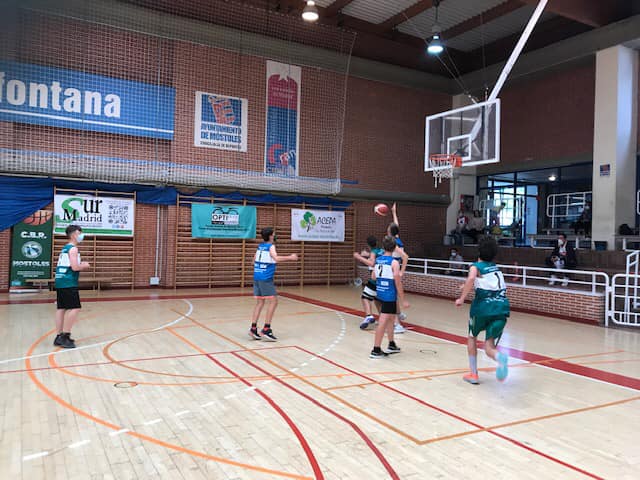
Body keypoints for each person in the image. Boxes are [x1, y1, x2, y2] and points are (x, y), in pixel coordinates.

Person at [455, 236, 510, 384]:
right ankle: (500, 358)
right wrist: (466, 285)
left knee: (472, 337)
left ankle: (473, 374)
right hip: (501, 309)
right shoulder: (496, 269)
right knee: (489, 348)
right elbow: (483, 281)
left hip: (482, 309)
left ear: (478, 251)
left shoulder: (475, 266)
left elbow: (472, 278)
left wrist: (462, 298)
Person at [250, 227, 298, 341]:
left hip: (257, 276)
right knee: (273, 301)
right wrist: (290, 257)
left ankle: (253, 328)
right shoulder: (271, 246)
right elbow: (276, 258)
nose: (275, 236)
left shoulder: (260, 246)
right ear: (271, 236)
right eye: (274, 234)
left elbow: (253, 261)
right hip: (265, 278)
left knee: (260, 302)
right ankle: (266, 329)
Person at [370, 235, 409, 359]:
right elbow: (398, 283)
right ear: (394, 248)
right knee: (383, 322)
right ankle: (376, 349)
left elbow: (373, 277)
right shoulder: (394, 263)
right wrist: (403, 300)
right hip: (389, 296)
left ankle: (391, 344)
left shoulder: (378, 260)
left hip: (380, 292)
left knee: (391, 319)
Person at [54, 225, 91, 349]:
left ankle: (59, 336)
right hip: (68, 281)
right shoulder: (73, 249)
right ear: (74, 234)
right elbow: (75, 267)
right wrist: (84, 265)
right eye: (80, 233)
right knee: (75, 308)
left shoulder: (65, 248)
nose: (81, 235)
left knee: (61, 308)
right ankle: (65, 336)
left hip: (60, 280)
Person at [353, 235, 383, 330]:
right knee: (377, 300)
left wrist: (359, 257)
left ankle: (369, 316)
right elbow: (375, 257)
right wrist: (367, 254)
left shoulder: (373, 253)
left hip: (375, 279)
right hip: (382, 280)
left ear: (368, 245)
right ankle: (382, 319)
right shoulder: (381, 251)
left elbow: (372, 263)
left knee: (365, 297)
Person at [388, 202, 409, 333]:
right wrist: (394, 212)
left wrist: (401, 271)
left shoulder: (394, 243)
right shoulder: (396, 238)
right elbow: (396, 225)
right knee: (392, 296)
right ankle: (399, 314)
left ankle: (397, 324)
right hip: (393, 269)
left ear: (390, 231)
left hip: (394, 270)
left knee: (392, 297)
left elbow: (405, 256)